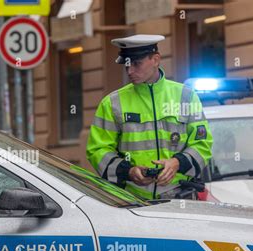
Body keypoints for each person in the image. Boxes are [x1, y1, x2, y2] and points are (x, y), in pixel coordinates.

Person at [86, 34, 213, 200]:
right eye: (127, 65)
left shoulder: (186, 96)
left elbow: (203, 144)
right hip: (130, 202)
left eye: (136, 64)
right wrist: (128, 171)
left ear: (156, 59)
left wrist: (177, 163)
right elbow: (97, 150)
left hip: (181, 199)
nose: (130, 71)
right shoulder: (111, 103)